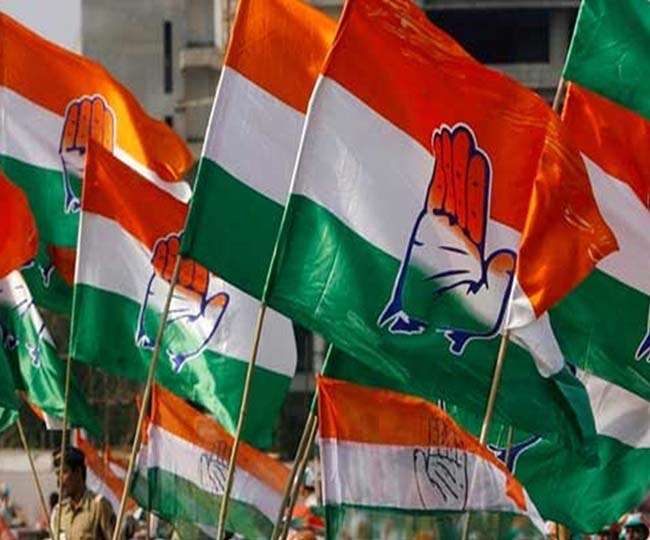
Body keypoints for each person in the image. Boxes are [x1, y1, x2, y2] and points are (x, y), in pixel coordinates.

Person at [50, 446, 116, 539]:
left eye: (64, 472)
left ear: (78, 472)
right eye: (57, 474)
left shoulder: (98, 507)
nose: (59, 481)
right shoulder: (59, 512)